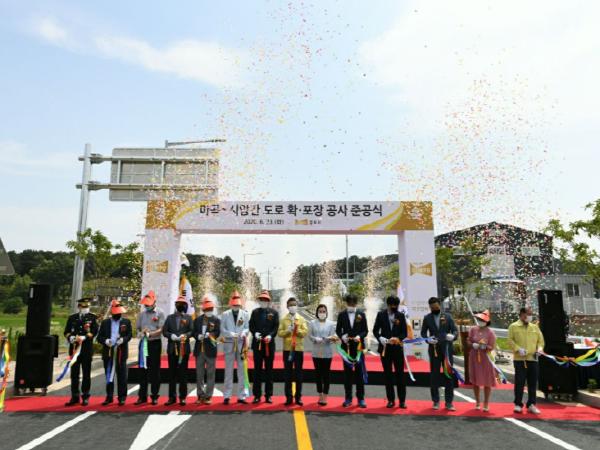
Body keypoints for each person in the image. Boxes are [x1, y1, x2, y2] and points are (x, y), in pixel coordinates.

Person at [421, 296, 458, 411]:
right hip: (434, 350)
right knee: (434, 376)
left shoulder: (448, 317)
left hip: (446, 350)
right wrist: (428, 339)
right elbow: (423, 333)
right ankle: (435, 401)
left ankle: (449, 402)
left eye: (436, 307)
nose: (434, 309)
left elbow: (455, 330)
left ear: (439, 305)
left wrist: (453, 336)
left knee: (448, 376)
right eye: (432, 307)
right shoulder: (427, 318)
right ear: (430, 307)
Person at [373, 295, 408, 408]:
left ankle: (402, 400)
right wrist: (380, 338)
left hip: (397, 349)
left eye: (396, 305)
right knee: (388, 375)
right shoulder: (381, 314)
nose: (394, 307)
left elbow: (404, 333)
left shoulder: (401, 315)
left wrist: (398, 338)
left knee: (400, 375)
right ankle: (391, 400)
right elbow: (375, 330)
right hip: (385, 349)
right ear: (388, 305)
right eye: (392, 305)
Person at [508, 306, 545, 414]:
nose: (530, 316)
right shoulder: (513, 326)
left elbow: (541, 341)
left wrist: (540, 349)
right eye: (528, 314)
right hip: (520, 359)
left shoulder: (534, 327)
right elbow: (510, 341)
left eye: (530, 314)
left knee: (532, 383)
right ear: (522, 314)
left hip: (533, 358)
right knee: (519, 382)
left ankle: (531, 404)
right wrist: (518, 349)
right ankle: (518, 404)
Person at [63, 297, 98, 406]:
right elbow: (66, 331)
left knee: (86, 373)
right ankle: (75, 396)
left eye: (87, 306)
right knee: (74, 374)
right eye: (83, 306)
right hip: (74, 349)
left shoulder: (92, 318)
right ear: (79, 307)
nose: (85, 308)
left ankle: (85, 396)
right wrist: (71, 338)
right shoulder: (72, 318)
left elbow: (94, 331)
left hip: (86, 349)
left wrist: (85, 337)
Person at [97, 299, 132, 406]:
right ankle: (109, 397)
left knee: (122, 375)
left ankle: (122, 397)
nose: (118, 314)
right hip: (108, 351)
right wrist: (106, 341)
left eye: (119, 312)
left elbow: (129, 335)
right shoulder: (105, 323)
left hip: (121, 352)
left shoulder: (126, 322)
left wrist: (123, 340)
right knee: (109, 374)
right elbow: (99, 337)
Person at [336, 294, 368, 408]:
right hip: (347, 348)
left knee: (359, 374)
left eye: (353, 303)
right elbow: (338, 330)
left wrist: (360, 336)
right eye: (349, 303)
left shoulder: (361, 314)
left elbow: (365, 330)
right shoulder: (342, 315)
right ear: (347, 303)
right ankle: (348, 398)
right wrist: (342, 336)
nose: (351, 305)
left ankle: (361, 398)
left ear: (356, 303)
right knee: (347, 375)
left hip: (358, 348)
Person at [135, 290, 165, 405]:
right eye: (145, 304)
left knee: (154, 370)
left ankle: (154, 395)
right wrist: (140, 333)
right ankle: (142, 396)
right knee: (142, 370)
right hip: (143, 343)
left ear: (154, 302)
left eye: (148, 304)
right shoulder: (142, 314)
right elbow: (138, 328)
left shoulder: (160, 313)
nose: (147, 306)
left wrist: (151, 333)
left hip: (154, 343)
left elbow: (161, 329)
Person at [162, 295, 194, 406]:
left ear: (185, 306)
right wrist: (171, 336)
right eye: (179, 304)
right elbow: (164, 331)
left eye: (183, 304)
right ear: (176, 305)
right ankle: (172, 397)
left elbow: (192, 331)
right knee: (172, 374)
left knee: (183, 374)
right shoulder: (169, 318)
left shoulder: (188, 318)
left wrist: (185, 335)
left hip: (184, 349)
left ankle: (182, 397)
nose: (181, 306)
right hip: (172, 349)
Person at [220, 291, 251, 405]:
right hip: (229, 344)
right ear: (231, 304)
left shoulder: (245, 314)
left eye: (238, 305)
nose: (236, 307)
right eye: (234, 305)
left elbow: (247, 328)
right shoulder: (225, 314)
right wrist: (230, 334)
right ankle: (227, 395)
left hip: (241, 345)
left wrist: (244, 333)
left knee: (241, 371)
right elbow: (222, 329)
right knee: (228, 371)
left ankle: (241, 396)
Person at [249, 290, 279, 404]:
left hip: (269, 345)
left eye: (265, 300)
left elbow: (275, 327)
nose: (263, 301)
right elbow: (251, 325)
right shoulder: (255, 312)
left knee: (269, 370)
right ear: (259, 301)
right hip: (257, 344)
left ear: (268, 301)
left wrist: (271, 336)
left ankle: (268, 395)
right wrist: (255, 333)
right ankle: (257, 395)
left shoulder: (274, 313)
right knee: (257, 370)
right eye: (261, 300)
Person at [278, 297, 308, 406]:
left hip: (298, 349)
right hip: (287, 350)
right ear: (287, 307)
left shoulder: (301, 319)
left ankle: (298, 397)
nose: (293, 307)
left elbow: (305, 332)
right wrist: (288, 330)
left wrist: (296, 329)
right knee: (288, 374)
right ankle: (289, 397)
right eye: (291, 305)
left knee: (299, 374)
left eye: (294, 305)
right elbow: (279, 333)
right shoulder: (283, 319)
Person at [467, 310, 497, 412]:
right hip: (475, 357)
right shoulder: (473, 330)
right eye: (479, 319)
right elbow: (468, 341)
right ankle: (477, 402)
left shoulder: (490, 333)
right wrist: (473, 344)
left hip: (485, 358)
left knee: (487, 381)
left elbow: (491, 346)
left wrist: (484, 346)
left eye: (482, 320)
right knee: (475, 381)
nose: (480, 321)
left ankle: (486, 403)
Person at [193, 296, 221, 405]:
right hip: (199, 351)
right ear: (203, 310)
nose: (210, 311)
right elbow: (193, 332)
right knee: (199, 374)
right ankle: (200, 395)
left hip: (210, 350)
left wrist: (211, 334)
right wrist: (197, 336)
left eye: (211, 309)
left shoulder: (216, 320)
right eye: (208, 309)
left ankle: (208, 396)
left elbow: (217, 332)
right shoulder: (197, 320)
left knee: (210, 374)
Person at [308, 303, 337, 406]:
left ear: (326, 312)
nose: (322, 313)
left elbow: (334, 336)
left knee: (326, 375)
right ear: (317, 312)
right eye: (320, 311)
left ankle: (325, 395)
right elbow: (310, 335)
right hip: (316, 352)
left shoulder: (331, 324)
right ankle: (320, 394)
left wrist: (330, 338)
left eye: (324, 311)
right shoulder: (312, 323)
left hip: (327, 352)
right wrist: (315, 339)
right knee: (318, 374)